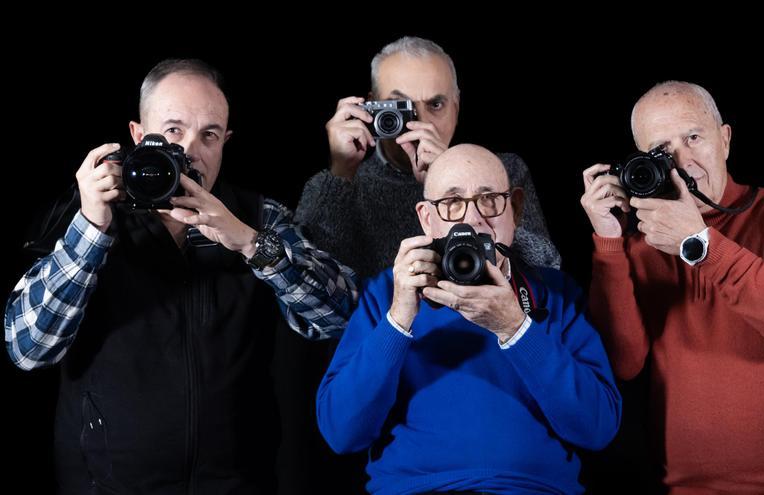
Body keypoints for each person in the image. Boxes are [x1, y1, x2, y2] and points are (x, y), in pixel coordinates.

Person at [4, 59, 357, 494]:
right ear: (138, 135)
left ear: (225, 142)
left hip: (236, 483)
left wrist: (248, 243)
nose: (190, 150)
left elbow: (339, 316)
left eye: (209, 134)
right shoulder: (85, 216)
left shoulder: (255, 216)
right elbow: (28, 348)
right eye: (173, 130)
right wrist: (91, 229)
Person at [580, 80, 764, 493]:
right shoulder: (641, 248)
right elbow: (624, 363)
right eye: (662, 151)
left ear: (724, 139)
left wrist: (699, 244)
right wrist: (608, 243)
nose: (683, 161)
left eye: (693, 137)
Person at [318, 144, 621, 494]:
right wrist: (398, 321)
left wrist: (515, 327)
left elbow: (598, 428)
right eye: (452, 202)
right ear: (426, 218)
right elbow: (341, 433)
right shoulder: (387, 294)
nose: (473, 218)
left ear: (516, 209)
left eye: (489, 198)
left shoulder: (555, 294)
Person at [294, 36, 559, 278]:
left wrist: (449, 176)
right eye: (400, 108)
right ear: (372, 107)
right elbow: (313, 291)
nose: (419, 122)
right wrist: (340, 172)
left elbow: (546, 270)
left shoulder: (503, 169)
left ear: (456, 105)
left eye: (435, 105)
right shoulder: (342, 184)